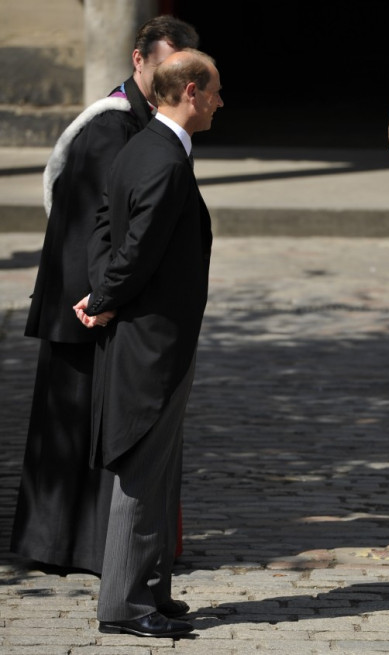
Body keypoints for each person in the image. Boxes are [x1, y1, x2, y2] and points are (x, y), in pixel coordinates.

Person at [11, 15, 199, 575]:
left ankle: (93, 549)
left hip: (103, 295)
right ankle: (72, 549)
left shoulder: (151, 125)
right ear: (138, 62)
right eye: (166, 67)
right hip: (84, 301)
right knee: (78, 428)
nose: (177, 80)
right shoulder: (109, 126)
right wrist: (103, 298)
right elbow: (99, 225)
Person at [73, 47, 222, 639]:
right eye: (213, 90)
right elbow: (135, 247)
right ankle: (125, 604)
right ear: (190, 90)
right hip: (153, 336)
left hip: (150, 329)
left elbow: (105, 227)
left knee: (161, 467)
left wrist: (98, 292)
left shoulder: (145, 146)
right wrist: (105, 298)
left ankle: (152, 589)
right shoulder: (162, 158)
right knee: (141, 463)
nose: (218, 101)